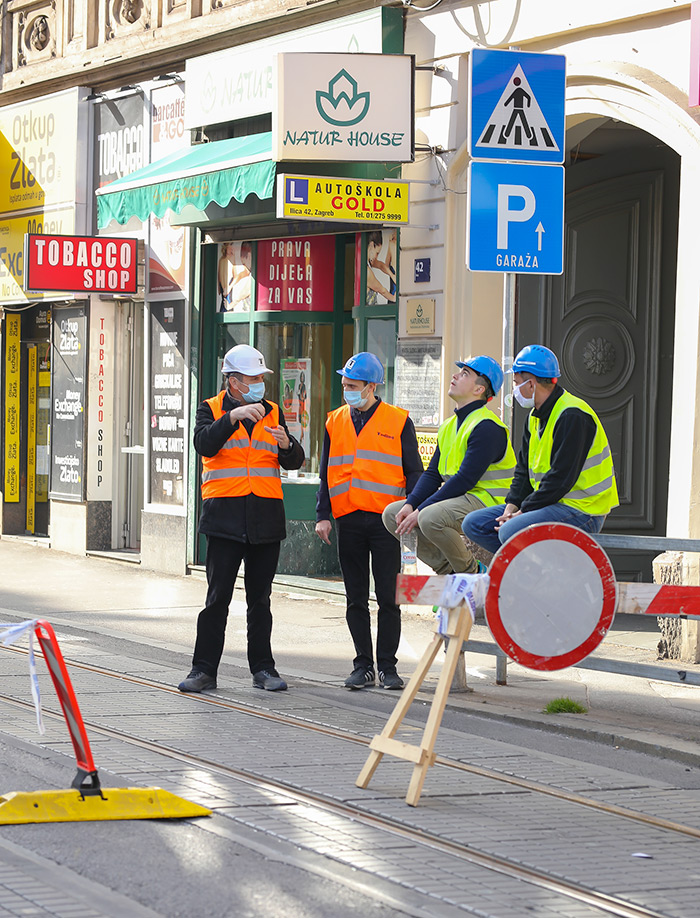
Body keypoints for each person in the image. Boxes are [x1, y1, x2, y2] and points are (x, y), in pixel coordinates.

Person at [179, 344, 304, 694]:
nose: (259, 384)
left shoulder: (273, 411)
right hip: (224, 517)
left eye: (261, 378)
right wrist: (232, 419)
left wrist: (287, 446)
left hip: (265, 517)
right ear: (233, 381)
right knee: (217, 598)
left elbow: (294, 461)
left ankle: (263, 668)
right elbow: (203, 444)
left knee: (260, 599)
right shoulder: (211, 408)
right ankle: (203, 669)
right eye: (252, 378)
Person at [315, 352, 423, 691]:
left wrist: (414, 507)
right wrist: (322, 515)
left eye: (353, 385)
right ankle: (363, 665)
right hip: (347, 518)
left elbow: (415, 471)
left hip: (386, 521)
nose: (346, 390)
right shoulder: (335, 420)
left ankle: (388, 668)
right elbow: (324, 473)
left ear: (372, 386)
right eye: (344, 384)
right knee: (355, 597)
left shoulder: (398, 420)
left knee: (389, 597)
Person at [462, 345, 619, 553]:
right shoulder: (534, 418)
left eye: (517, 383)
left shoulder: (573, 416)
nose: (515, 390)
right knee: (474, 524)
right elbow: (523, 472)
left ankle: (533, 574)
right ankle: (532, 569)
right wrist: (511, 506)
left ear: (531, 384)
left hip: (583, 511)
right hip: (549, 504)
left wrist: (523, 512)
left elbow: (560, 480)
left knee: (509, 532)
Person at [383, 356, 516, 575]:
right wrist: (412, 503)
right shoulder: (449, 425)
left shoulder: (487, 427)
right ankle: (448, 572)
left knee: (429, 517)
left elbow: (465, 480)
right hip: (460, 498)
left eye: (465, 373)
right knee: (392, 514)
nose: (455, 376)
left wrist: (421, 509)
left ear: (479, 389)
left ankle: (471, 573)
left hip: (489, 501)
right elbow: (433, 474)